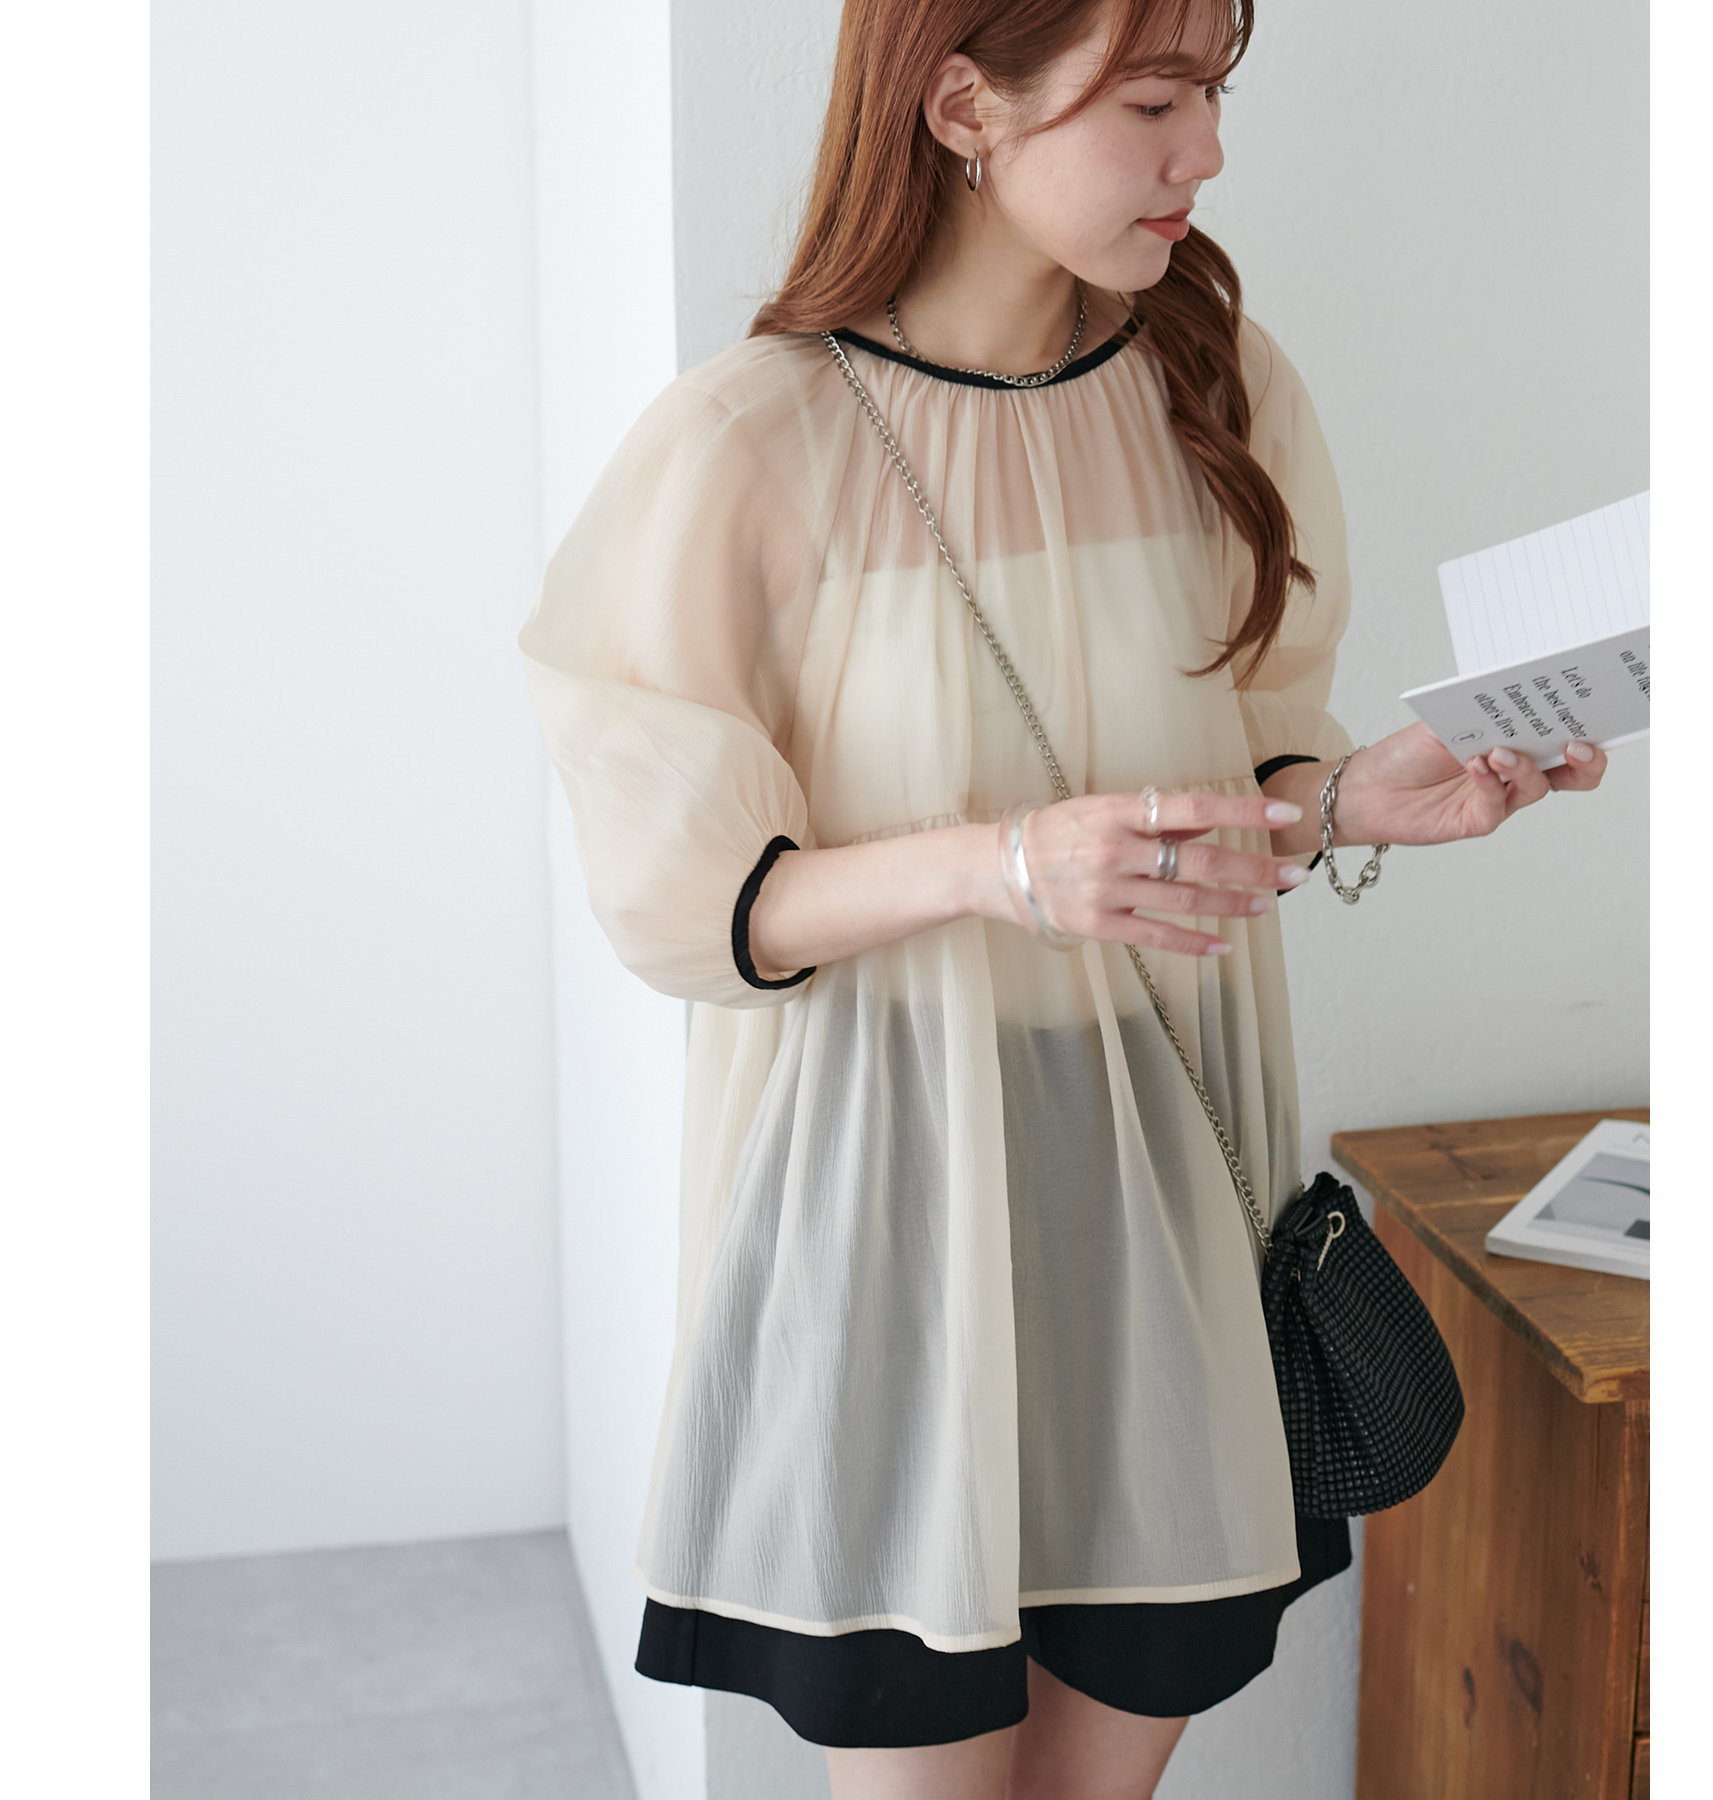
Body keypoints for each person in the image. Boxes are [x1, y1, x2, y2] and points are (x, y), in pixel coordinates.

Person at [520, 0, 1608, 1794]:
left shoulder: (1214, 386)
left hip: (1166, 1185)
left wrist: (1353, 799)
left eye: (1214, 94)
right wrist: (1004, 866)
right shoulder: (753, 442)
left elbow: (1226, 789)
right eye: (1155, 99)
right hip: (900, 1193)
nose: (1208, 152)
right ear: (963, 104)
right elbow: (697, 908)